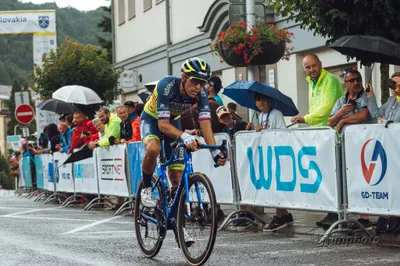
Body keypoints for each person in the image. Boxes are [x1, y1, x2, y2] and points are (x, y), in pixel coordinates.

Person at [140, 57, 226, 210]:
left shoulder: (202, 93)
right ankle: (146, 189)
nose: (198, 87)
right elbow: (162, 125)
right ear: (184, 78)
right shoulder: (166, 85)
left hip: (173, 121)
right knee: (154, 149)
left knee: (176, 176)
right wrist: (185, 136)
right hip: (152, 120)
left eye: (202, 82)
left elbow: (206, 126)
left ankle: (177, 214)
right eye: (194, 82)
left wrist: (214, 150)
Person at [291, 54, 343, 126]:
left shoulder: (330, 80)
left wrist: (305, 119)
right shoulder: (311, 82)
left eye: (314, 65)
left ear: (320, 64)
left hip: (331, 130)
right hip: (317, 131)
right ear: (304, 69)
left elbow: (327, 108)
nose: (311, 70)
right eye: (308, 67)